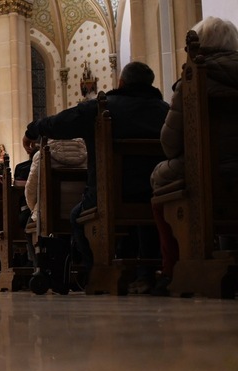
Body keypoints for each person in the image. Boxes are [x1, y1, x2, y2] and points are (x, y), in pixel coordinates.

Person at [23, 61, 170, 279]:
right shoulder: (166, 111)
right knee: (145, 217)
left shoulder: (103, 107)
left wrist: (33, 130)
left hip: (108, 194)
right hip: (158, 193)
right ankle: (147, 273)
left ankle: (99, 274)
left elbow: (62, 122)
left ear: (121, 82)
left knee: (77, 217)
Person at [149, 16, 238, 296]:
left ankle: (173, 267)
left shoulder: (192, 77)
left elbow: (171, 144)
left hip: (212, 171)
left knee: (158, 178)